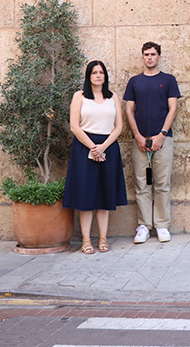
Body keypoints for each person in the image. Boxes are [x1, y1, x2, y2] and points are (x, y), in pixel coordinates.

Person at [63, 60, 127, 254]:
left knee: (105, 195)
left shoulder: (113, 97)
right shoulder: (79, 96)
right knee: (86, 196)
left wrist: (103, 147)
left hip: (108, 148)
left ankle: (103, 238)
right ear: (88, 76)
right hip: (85, 148)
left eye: (101, 72)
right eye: (94, 73)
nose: (98, 76)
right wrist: (93, 147)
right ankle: (85, 240)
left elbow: (119, 127)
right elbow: (75, 126)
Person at [124, 42, 180, 244]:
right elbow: (129, 110)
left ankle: (162, 225)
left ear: (159, 57)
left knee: (162, 184)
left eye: (153, 54)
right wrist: (138, 136)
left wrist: (161, 135)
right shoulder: (134, 81)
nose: (150, 57)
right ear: (142, 57)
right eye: (146, 54)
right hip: (140, 140)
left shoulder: (168, 80)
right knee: (142, 184)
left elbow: (172, 109)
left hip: (163, 139)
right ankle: (144, 226)